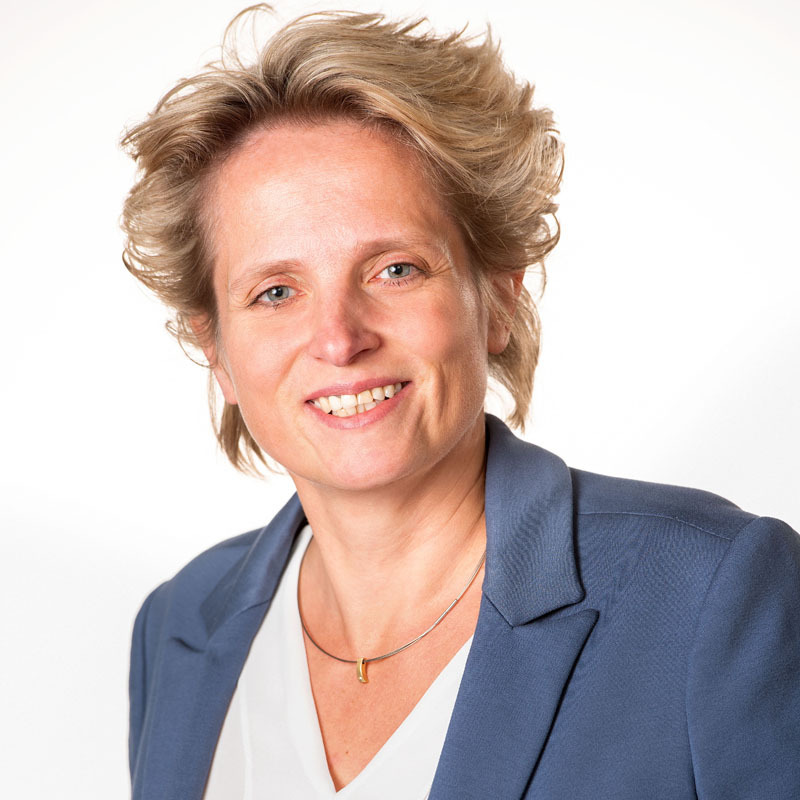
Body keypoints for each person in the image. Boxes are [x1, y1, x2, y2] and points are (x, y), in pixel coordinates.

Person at [121, 7, 800, 799]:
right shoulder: (177, 627)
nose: (339, 338)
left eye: (396, 269)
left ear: (500, 297)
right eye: (275, 291)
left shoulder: (711, 594)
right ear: (218, 351)